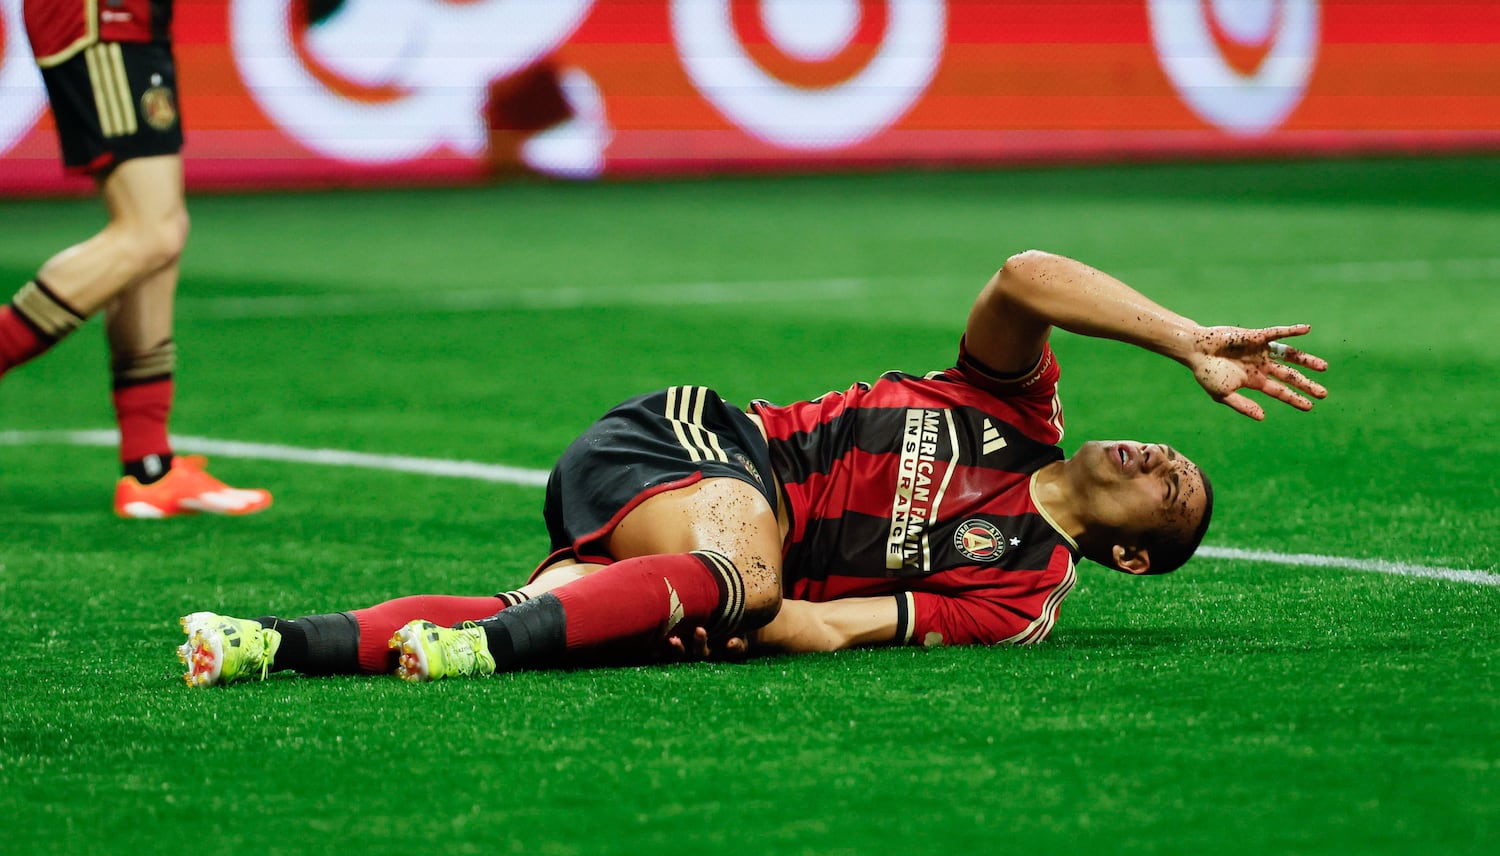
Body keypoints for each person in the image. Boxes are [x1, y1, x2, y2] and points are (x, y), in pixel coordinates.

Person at [176, 249, 1328, 686]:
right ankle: (489, 652)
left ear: (1129, 556)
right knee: (743, 577)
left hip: (693, 551)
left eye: (1170, 485)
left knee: (567, 608)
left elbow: (833, 629)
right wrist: (1186, 338)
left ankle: (271, 641)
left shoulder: (1017, 595)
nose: (1158, 454)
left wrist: (708, 623)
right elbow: (1025, 275)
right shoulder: (1016, 406)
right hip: (695, 442)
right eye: (1171, 449)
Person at [0, 0, 271, 518]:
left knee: (160, 229)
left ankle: (151, 469)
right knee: (151, 232)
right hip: (104, 16)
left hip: (131, 19)